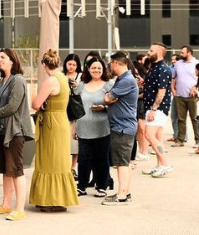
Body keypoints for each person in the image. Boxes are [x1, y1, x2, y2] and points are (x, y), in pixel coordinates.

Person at [0, 48, 33, 222]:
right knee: (5, 170)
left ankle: (19, 208)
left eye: (3, 57)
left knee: (16, 170)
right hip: (1, 131)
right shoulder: (1, 81)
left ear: (12, 60)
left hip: (14, 132)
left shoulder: (18, 80)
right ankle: (6, 205)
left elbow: (13, 107)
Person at [29, 49, 79, 212]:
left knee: (49, 161)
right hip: (61, 120)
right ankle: (59, 198)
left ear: (44, 65)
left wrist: (33, 96)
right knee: (60, 161)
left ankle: (48, 200)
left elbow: (36, 104)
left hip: (51, 124)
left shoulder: (50, 81)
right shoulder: (64, 78)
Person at [101, 52, 139, 205]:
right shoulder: (124, 79)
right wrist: (110, 97)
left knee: (121, 163)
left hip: (122, 127)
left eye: (111, 63)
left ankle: (122, 195)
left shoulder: (126, 81)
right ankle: (125, 192)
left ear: (116, 63)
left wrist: (108, 96)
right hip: (122, 126)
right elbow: (111, 98)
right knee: (122, 162)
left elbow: (108, 98)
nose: (110, 66)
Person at [74, 58, 114, 197]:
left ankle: (102, 185)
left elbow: (117, 104)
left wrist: (104, 108)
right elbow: (76, 107)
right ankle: (82, 186)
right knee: (84, 158)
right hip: (83, 127)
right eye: (93, 68)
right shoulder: (82, 85)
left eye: (99, 68)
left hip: (102, 127)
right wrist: (74, 127)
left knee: (102, 157)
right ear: (88, 69)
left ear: (103, 69)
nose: (96, 70)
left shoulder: (109, 84)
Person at [140, 43, 174, 178]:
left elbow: (162, 91)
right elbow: (154, 87)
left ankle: (165, 164)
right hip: (153, 107)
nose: (148, 52)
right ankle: (159, 165)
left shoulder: (162, 68)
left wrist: (154, 109)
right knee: (156, 136)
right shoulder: (155, 67)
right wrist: (144, 83)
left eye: (151, 50)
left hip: (157, 108)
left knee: (149, 135)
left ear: (159, 53)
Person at [171, 46, 198, 147]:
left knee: (194, 119)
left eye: (182, 52)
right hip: (179, 96)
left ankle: (198, 141)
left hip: (192, 96)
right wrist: (172, 89)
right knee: (181, 119)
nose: (180, 54)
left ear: (189, 53)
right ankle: (180, 140)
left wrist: (195, 88)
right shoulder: (178, 64)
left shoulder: (196, 63)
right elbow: (173, 77)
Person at [63, 53, 82, 180]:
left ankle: (73, 167)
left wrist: (75, 86)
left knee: (74, 140)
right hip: (63, 110)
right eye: (69, 64)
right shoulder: (61, 75)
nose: (71, 67)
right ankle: (65, 166)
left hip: (75, 111)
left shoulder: (80, 76)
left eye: (74, 64)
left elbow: (82, 92)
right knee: (64, 140)